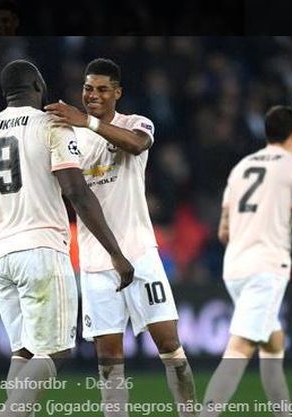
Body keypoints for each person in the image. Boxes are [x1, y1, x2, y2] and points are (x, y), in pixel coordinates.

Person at [0, 59, 134, 417]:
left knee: (26, 350)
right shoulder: (51, 125)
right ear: (36, 87)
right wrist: (116, 253)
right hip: (41, 251)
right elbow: (76, 191)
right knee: (56, 351)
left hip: (0, 256)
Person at [45, 58, 197, 417]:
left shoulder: (136, 123)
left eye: (101, 89)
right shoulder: (70, 137)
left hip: (140, 253)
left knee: (170, 346)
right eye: (87, 88)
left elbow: (137, 145)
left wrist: (90, 122)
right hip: (97, 263)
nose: (92, 95)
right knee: (108, 359)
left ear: (117, 92)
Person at [197, 106, 292, 417]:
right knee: (239, 348)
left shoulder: (241, 167)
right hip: (266, 269)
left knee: (273, 343)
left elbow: (224, 231)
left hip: (235, 268)